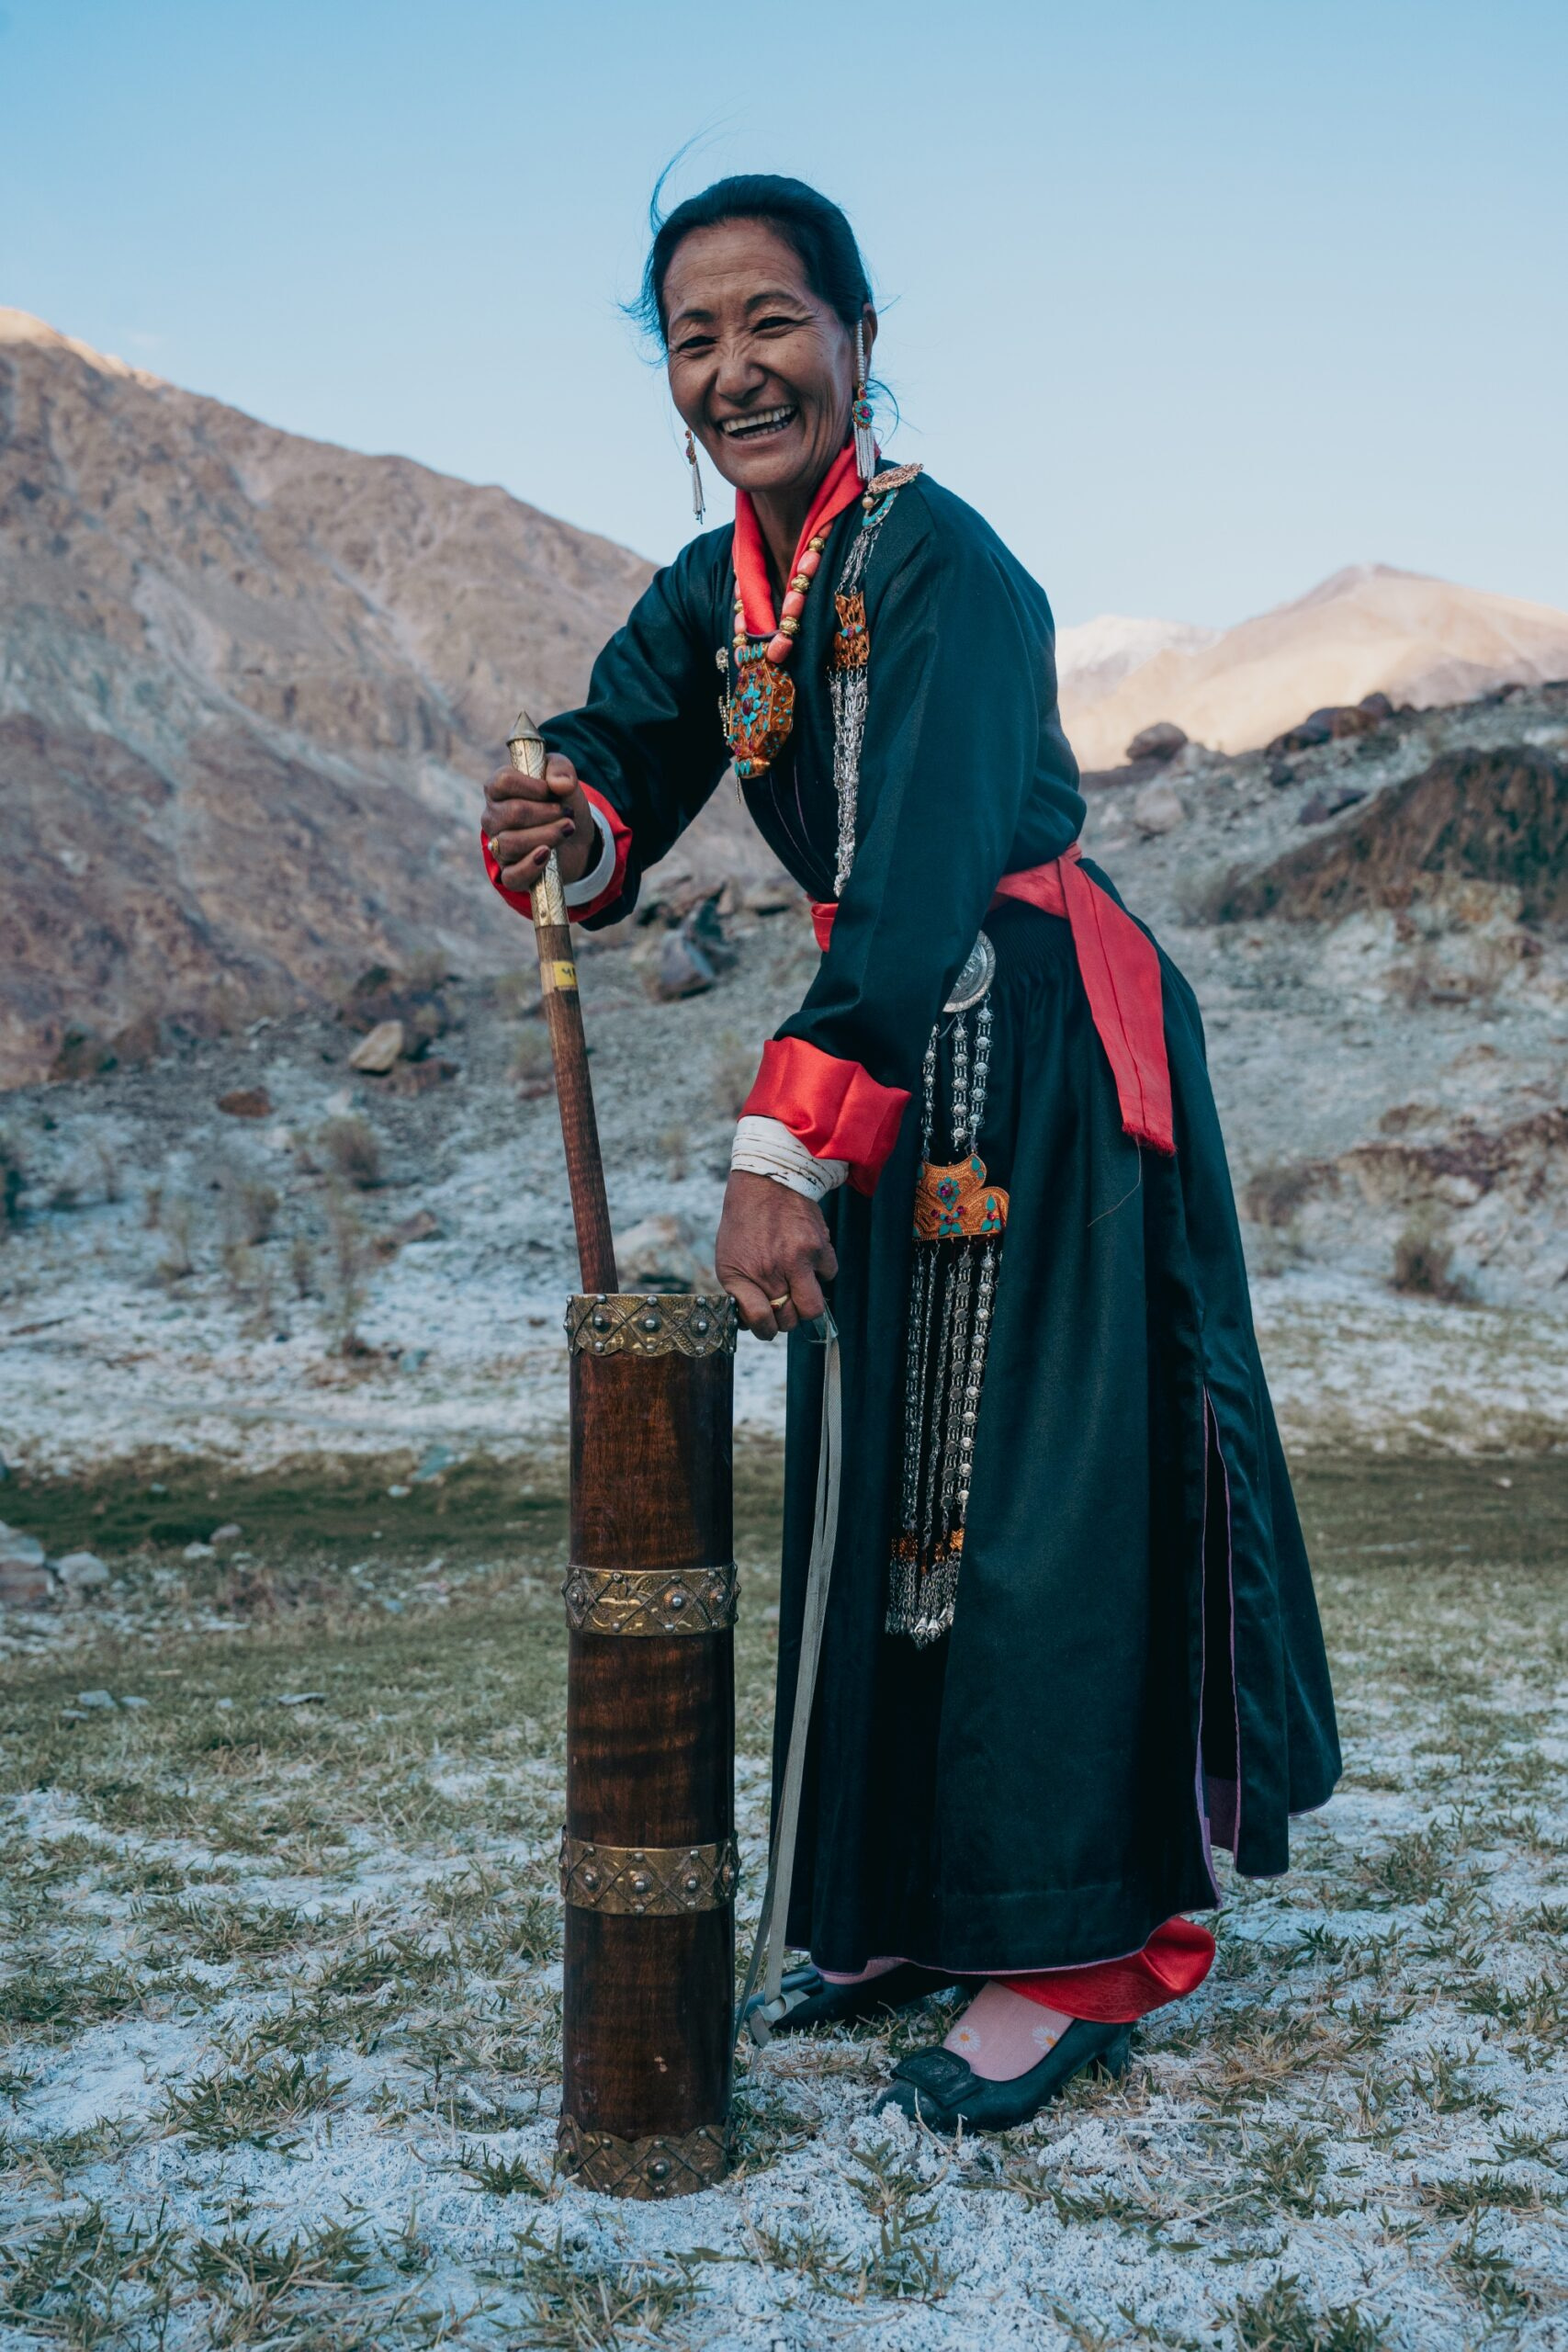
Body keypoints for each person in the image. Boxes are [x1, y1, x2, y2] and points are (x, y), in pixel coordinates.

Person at [479, 175, 1340, 2133]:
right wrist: (568, 809)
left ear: (857, 339)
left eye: (771, 319)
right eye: (693, 338)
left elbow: (932, 860)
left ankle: (1070, 1947)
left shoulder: (948, 565)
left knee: (1034, 1503)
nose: (732, 368)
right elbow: (621, 740)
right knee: (893, 1497)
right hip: (892, 1048)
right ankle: (895, 1903)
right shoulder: (721, 594)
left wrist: (784, 1138)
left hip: (1034, 1044)